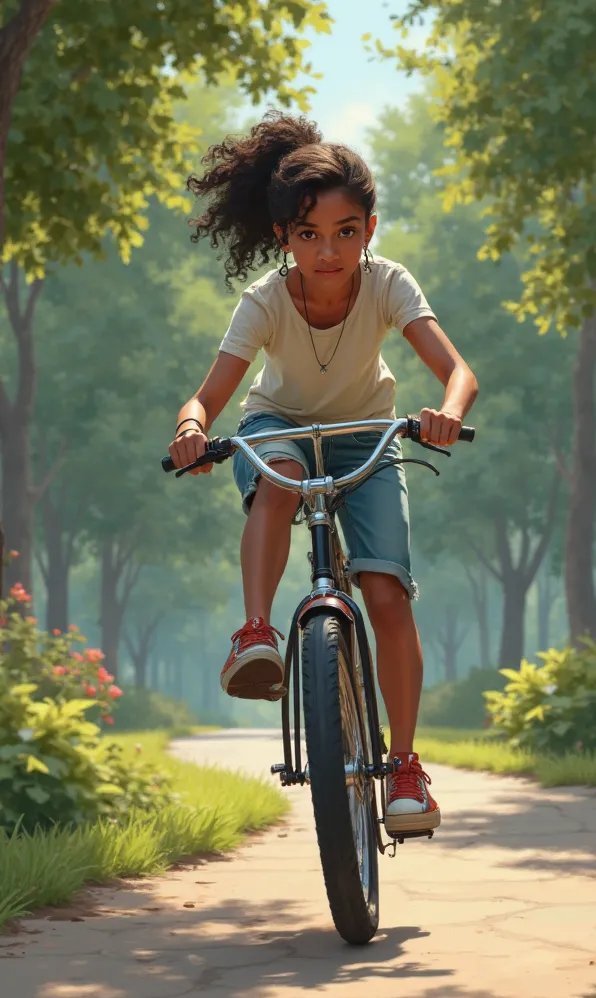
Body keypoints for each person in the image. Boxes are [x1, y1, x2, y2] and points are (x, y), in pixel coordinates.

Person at [168, 111, 478, 836]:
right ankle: (254, 636)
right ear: (284, 237)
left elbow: (457, 371)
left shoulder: (390, 285)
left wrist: (445, 410)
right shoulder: (267, 300)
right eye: (308, 234)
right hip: (281, 426)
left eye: (345, 232)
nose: (328, 251)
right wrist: (190, 427)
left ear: (369, 229)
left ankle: (404, 767)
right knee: (275, 479)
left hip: (368, 436)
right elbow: (206, 396)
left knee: (385, 592)